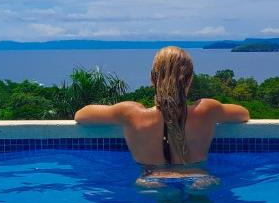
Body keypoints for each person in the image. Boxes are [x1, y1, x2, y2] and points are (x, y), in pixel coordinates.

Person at [74, 46, 249, 188]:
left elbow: (81, 115)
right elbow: (243, 114)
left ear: (152, 78)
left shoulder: (131, 113)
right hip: (200, 178)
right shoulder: (208, 109)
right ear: (189, 80)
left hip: (150, 180)